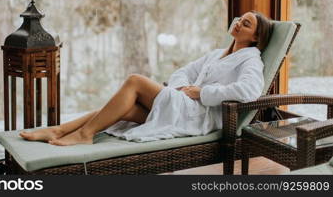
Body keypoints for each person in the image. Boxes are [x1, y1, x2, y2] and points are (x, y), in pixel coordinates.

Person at [20, 11, 273, 146]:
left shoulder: (251, 59)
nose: (239, 23)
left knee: (135, 81)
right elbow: (183, 71)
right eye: (240, 19)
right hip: (185, 103)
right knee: (125, 107)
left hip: (201, 115)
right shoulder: (219, 53)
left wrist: (201, 94)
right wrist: (181, 87)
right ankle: (60, 129)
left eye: (247, 24)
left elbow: (250, 90)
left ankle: (85, 134)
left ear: (255, 38)